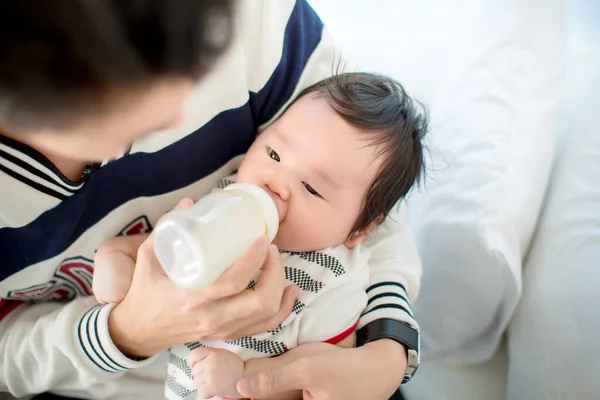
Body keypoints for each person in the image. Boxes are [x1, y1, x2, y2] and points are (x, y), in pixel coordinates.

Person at [0, 1, 422, 399]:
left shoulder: (257, 17)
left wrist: (388, 349)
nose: (173, 119)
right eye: (135, 82)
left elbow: (367, 181)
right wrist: (126, 329)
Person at [91, 72, 427, 400]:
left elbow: (323, 378)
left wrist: (243, 376)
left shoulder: (330, 280)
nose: (274, 182)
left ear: (361, 229)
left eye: (310, 188)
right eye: (274, 154)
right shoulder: (222, 202)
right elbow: (154, 245)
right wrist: (116, 262)